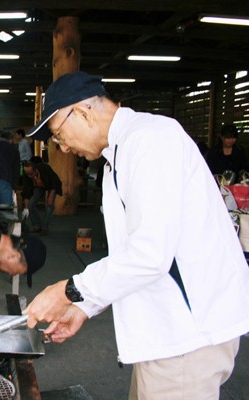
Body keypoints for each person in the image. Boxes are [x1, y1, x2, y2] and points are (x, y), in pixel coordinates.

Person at [23, 71, 249, 399]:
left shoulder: (152, 140)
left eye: (58, 135)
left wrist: (70, 290)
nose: (63, 147)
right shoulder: (121, 152)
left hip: (187, 335)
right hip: (163, 334)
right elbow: (129, 256)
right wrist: (85, 306)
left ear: (83, 112)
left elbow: (150, 254)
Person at [21, 157, 62, 234]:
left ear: (35, 170)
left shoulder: (45, 168)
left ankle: (44, 227)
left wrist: (50, 196)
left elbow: (55, 182)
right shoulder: (26, 175)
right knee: (31, 204)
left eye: (31, 174)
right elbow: (26, 190)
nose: (29, 176)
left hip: (50, 185)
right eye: (27, 174)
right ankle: (36, 225)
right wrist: (26, 208)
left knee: (49, 205)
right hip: (38, 186)